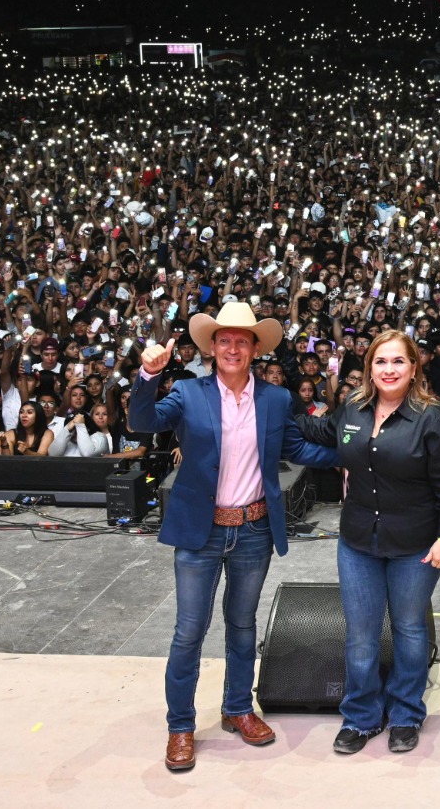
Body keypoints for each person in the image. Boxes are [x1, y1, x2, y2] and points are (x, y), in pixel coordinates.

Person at [128, 301, 320, 773]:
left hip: (254, 528)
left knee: (242, 624)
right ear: (212, 348)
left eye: (242, 341)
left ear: (255, 349)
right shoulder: (187, 393)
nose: (233, 348)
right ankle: (180, 726)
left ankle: (237, 708)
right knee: (189, 632)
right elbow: (142, 421)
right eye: (225, 340)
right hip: (201, 530)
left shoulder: (276, 398)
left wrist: (359, 453)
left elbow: (297, 447)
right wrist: (148, 375)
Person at [291, 329, 440, 756]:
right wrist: (273, 406)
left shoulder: (432, 418)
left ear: (414, 367)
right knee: (361, 636)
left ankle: (405, 714)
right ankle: (362, 716)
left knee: (409, 630)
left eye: (398, 361)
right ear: (369, 367)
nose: (389, 369)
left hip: (415, 545)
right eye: (380, 361)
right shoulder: (352, 408)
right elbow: (318, 430)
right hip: (357, 543)